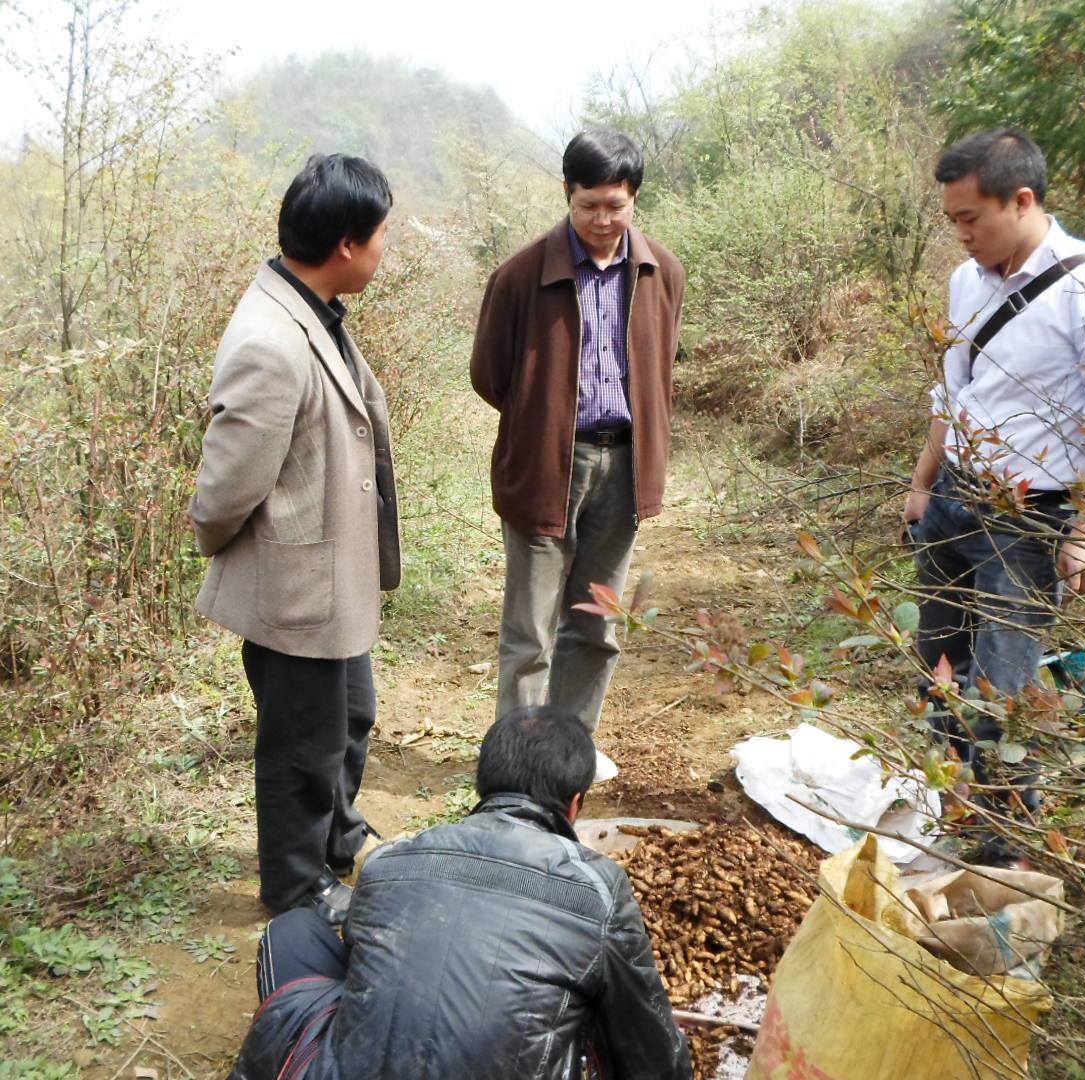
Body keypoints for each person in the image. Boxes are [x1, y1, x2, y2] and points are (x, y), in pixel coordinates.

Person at [901, 128, 1085, 843]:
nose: (960, 235)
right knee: (940, 672)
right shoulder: (964, 283)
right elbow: (953, 393)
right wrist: (922, 486)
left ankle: (1002, 851)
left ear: (1022, 200)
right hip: (954, 498)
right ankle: (956, 814)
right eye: (951, 219)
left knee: (997, 692)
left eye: (970, 218)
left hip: (1030, 520)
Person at [230, 707, 693, 1080]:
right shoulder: (598, 889)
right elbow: (651, 1054)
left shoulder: (391, 862)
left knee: (292, 933)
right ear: (575, 804)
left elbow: (369, 975)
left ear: (483, 785)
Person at [189, 154, 402, 926]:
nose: (386, 249)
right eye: (381, 235)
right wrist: (222, 543)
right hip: (298, 581)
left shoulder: (308, 308)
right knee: (301, 745)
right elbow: (227, 484)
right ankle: (294, 885)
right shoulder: (271, 340)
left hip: (328, 575)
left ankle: (338, 835)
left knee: (348, 715)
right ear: (347, 244)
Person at [470, 129, 687, 785]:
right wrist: (546, 421)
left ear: (634, 199)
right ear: (568, 194)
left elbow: (662, 363)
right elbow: (490, 375)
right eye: (589, 204)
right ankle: (516, 766)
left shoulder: (661, 272)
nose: (602, 219)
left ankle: (568, 755)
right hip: (543, 469)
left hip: (621, 468)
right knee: (530, 632)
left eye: (615, 205)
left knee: (595, 625)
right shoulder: (520, 275)